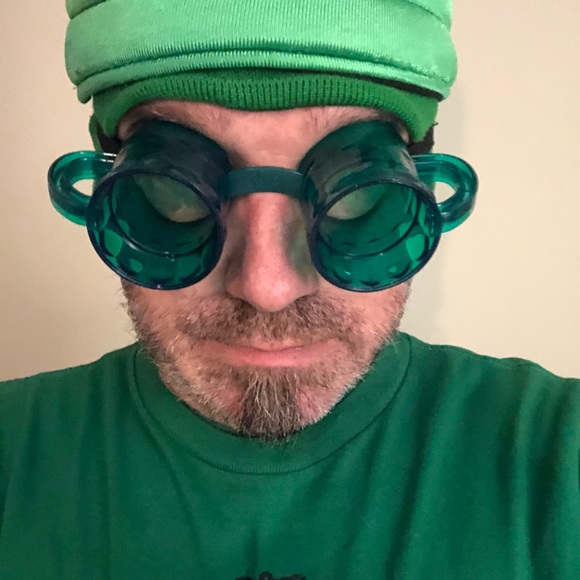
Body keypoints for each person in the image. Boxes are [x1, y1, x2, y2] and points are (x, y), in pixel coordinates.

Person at [0, 0, 578, 578]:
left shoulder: (555, 456)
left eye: (355, 190)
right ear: (108, 185)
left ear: (418, 187)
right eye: (174, 190)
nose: (267, 287)